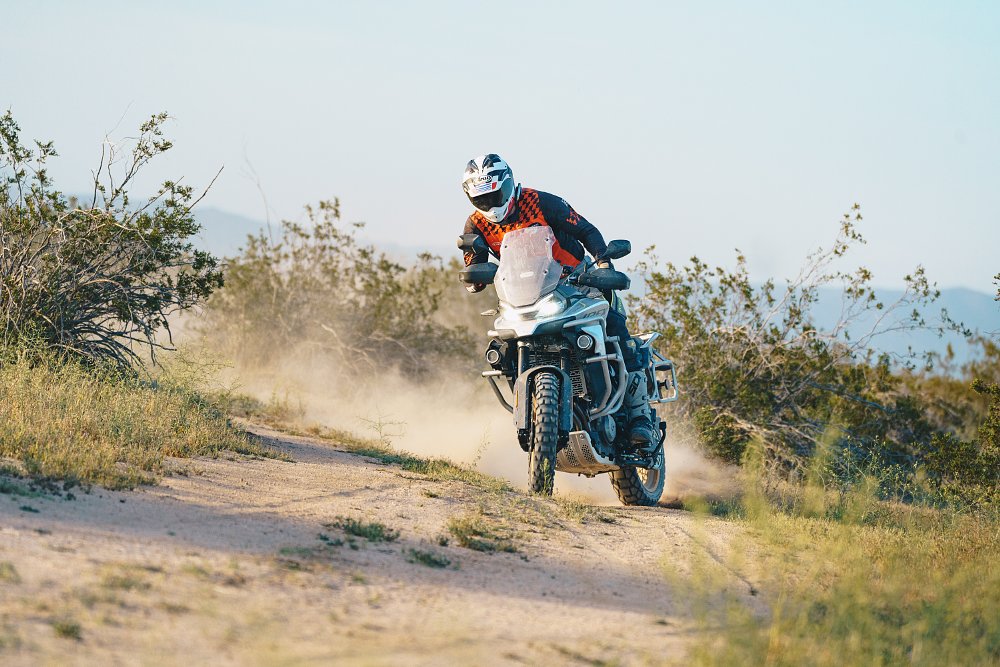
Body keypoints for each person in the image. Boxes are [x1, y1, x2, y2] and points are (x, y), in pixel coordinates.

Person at [460, 153, 656, 450]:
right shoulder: (475, 224)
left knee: (617, 329)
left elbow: (585, 229)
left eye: (494, 195)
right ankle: (533, 412)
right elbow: (474, 259)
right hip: (525, 292)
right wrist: (475, 274)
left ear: (509, 184)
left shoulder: (541, 202)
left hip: (576, 280)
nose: (489, 205)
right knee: (502, 347)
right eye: (481, 200)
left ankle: (640, 417)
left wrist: (602, 263)